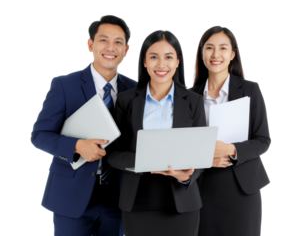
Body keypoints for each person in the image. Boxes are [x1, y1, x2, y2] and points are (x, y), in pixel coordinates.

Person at [29, 14, 137, 236]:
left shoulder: (135, 90)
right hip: (70, 195)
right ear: (90, 45)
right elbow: (39, 135)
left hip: (118, 196)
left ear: (126, 51)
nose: (110, 47)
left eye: (118, 42)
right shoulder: (64, 85)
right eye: (103, 40)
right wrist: (77, 146)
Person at [106, 29, 206, 236]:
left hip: (181, 204)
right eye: (153, 57)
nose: (161, 65)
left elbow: (200, 153)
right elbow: (113, 154)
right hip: (137, 203)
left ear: (177, 61)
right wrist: (146, 160)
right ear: (144, 62)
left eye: (168, 57)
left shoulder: (193, 101)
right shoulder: (126, 100)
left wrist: (185, 176)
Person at [190, 25, 272, 236]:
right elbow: (184, 144)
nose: (216, 54)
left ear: (232, 54)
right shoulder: (190, 96)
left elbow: (263, 140)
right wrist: (207, 157)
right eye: (209, 48)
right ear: (201, 53)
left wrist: (231, 149)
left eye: (223, 48)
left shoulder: (250, 90)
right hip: (203, 188)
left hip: (242, 189)